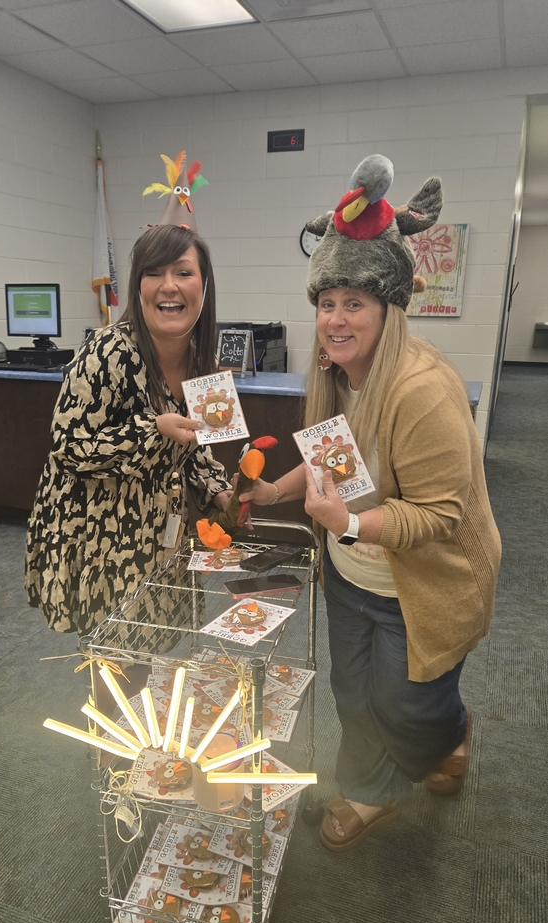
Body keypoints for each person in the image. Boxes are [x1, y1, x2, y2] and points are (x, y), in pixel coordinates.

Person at [242, 155, 501, 851]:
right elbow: (330, 451)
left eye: (352, 303)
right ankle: (367, 792)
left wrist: (349, 522)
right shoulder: (335, 374)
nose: (334, 318)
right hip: (352, 576)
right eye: (326, 303)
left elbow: (440, 517)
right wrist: (274, 490)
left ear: (387, 306)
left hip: (422, 581)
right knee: (353, 695)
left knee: (410, 705)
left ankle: (449, 730)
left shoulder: (421, 389)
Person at [26, 223, 232, 636]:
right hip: (98, 536)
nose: (168, 286)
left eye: (183, 272)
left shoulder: (201, 359)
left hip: (160, 532)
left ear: (204, 285)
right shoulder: (107, 352)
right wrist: (153, 431)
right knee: (114, 657)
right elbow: (68, 447)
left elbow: (194, 448)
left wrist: (222, 492)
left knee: (153, 647)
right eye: (153, 273)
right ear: (138, 285)